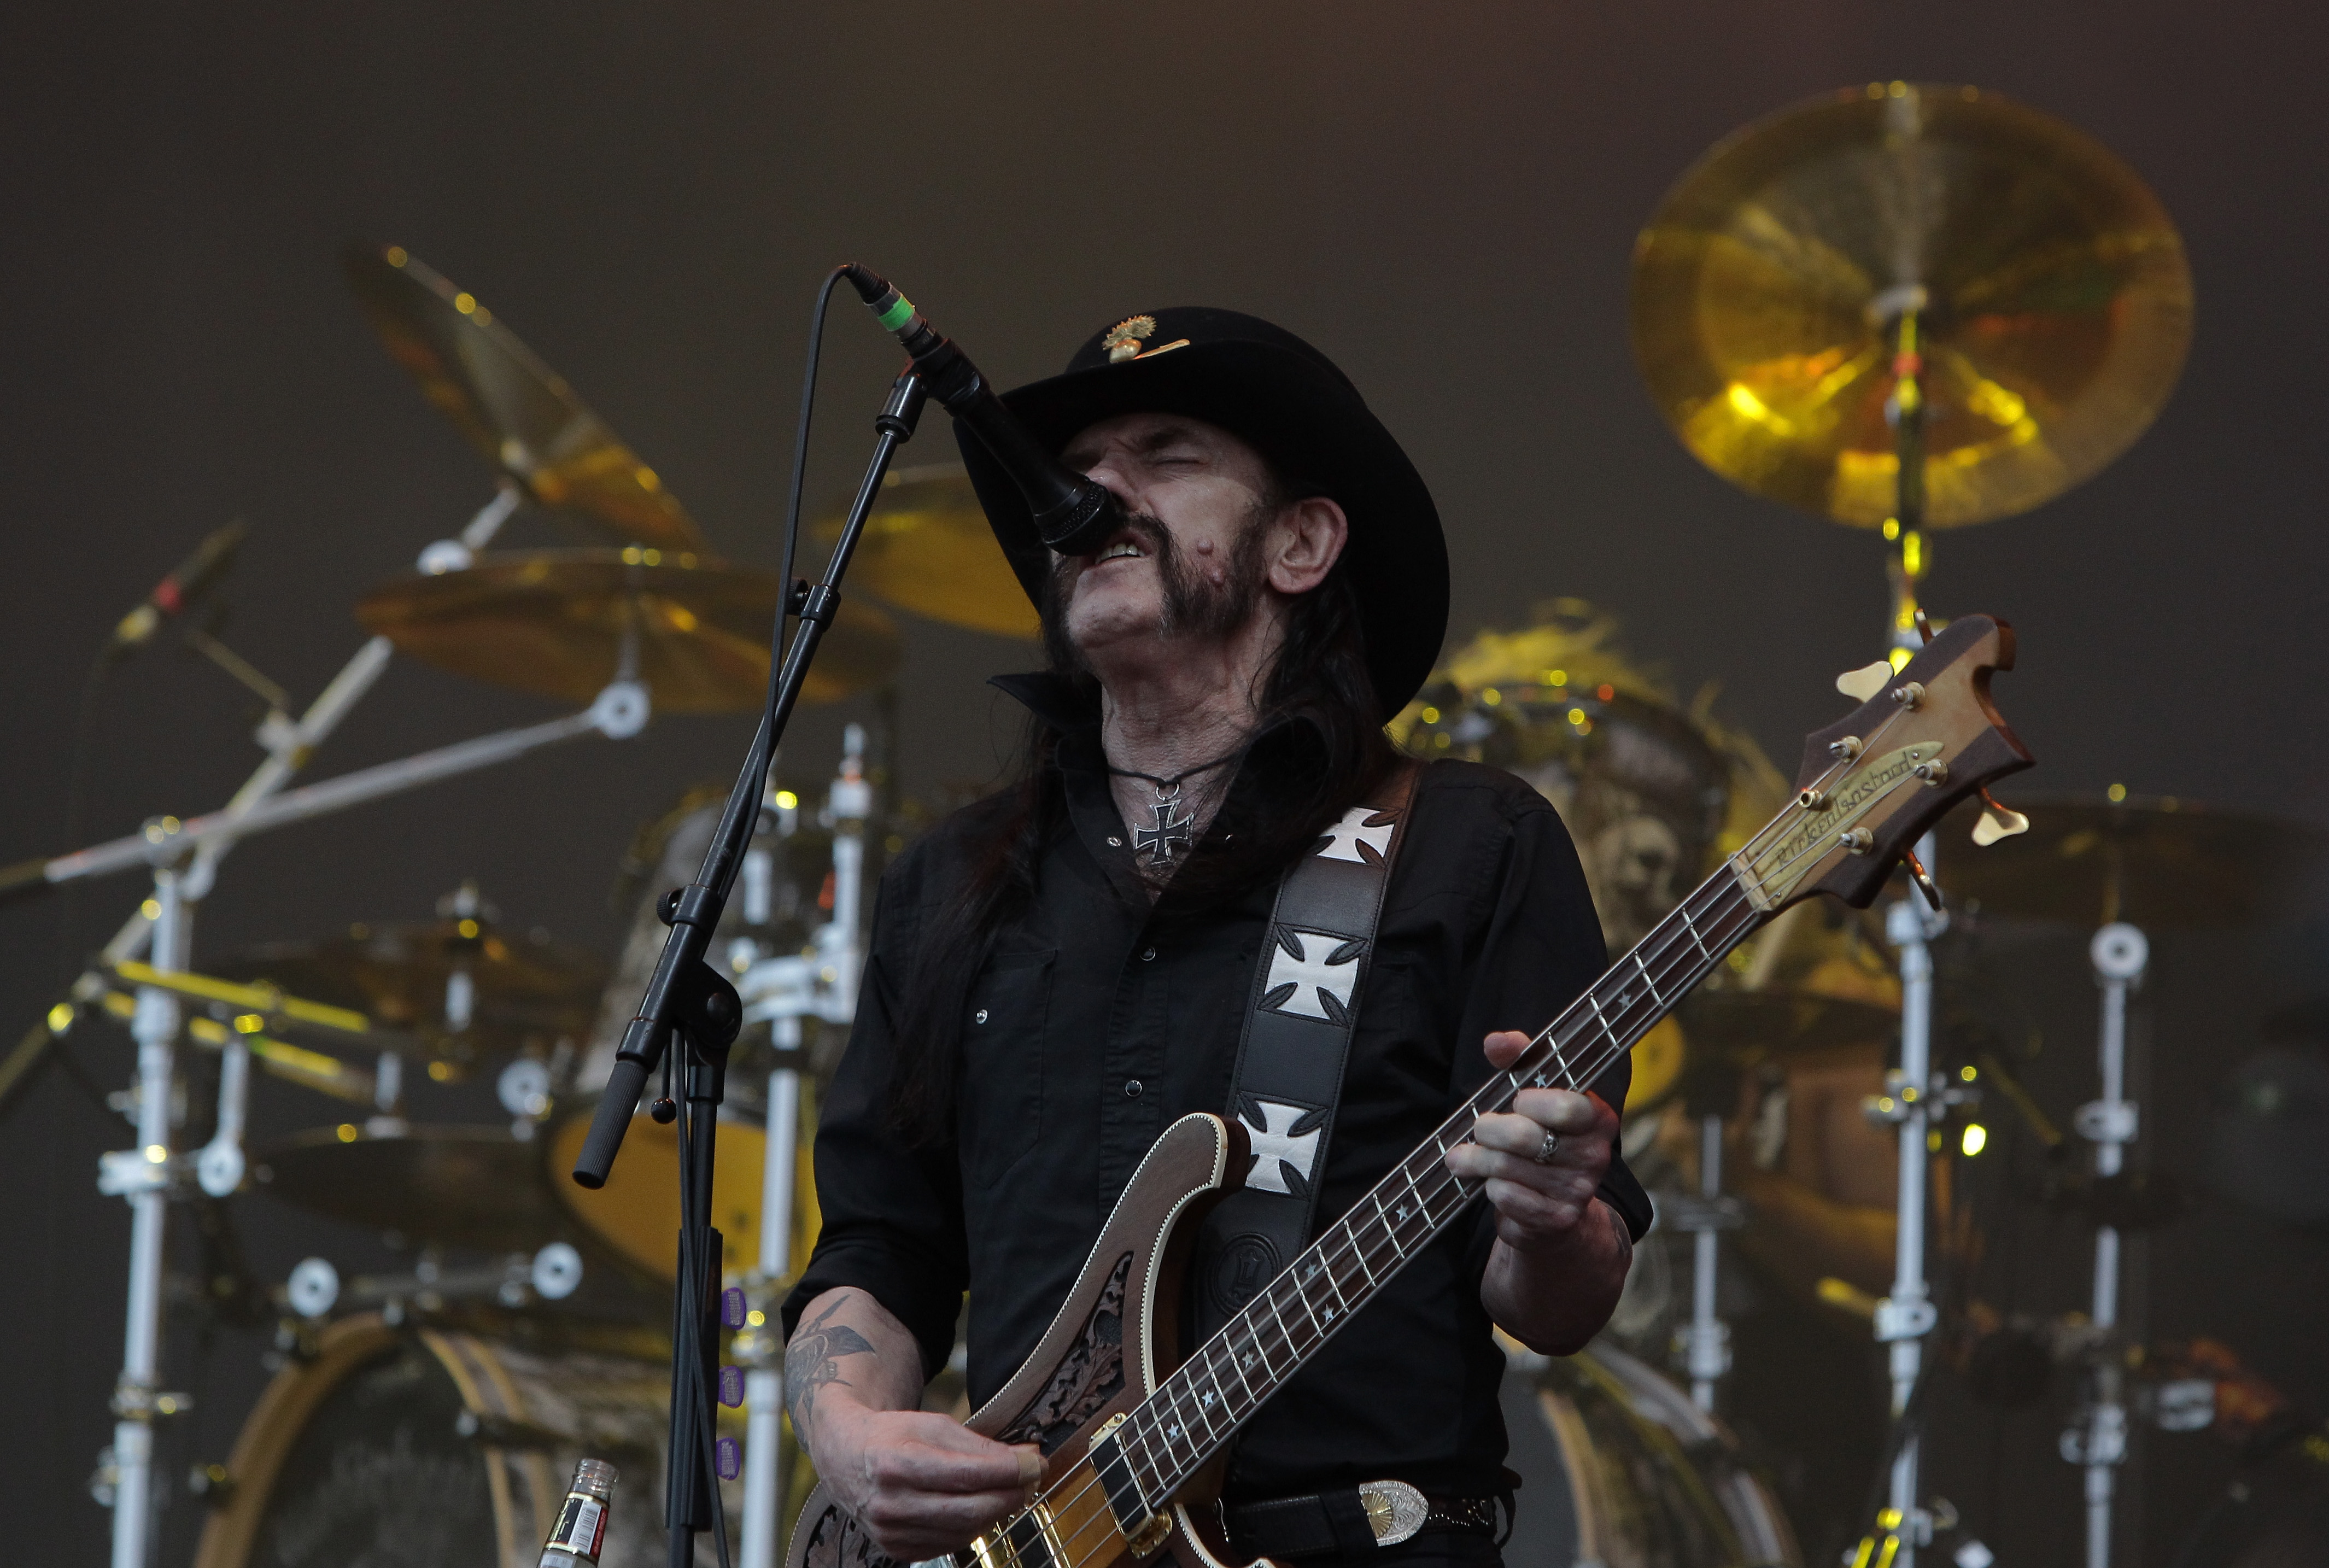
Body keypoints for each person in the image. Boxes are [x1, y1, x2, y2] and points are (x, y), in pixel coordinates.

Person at [781, 308, 1651, 1568]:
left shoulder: (1471, 845)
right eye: (1080, 467)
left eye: (1166, 453)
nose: (1097, 492)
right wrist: (849, 1431)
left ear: (1301, 543)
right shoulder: (954, 882)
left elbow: (1556, 1311)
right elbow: (882, 1241)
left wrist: (1552, 1219)